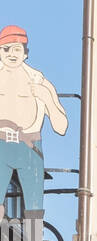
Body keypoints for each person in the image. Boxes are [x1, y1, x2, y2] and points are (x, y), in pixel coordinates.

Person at [0, 25, 67, 213]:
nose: (11, 54)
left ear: (25, 53)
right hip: (1, 144)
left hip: (30, 147)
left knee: (34, 209)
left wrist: (47, 98)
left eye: (17, 48)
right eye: (6, 48)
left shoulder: (39, 81)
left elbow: (61, 126)